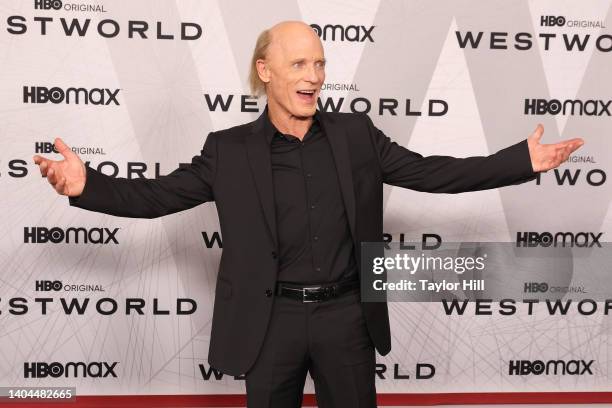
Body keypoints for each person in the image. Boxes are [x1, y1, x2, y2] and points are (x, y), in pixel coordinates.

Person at [33, 20, 583, 408]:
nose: (314, 74)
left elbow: (433, 173)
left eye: (320, 63)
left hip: (347, 319)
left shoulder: (356, 135)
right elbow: (157, 197)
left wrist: (520, 162)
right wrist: (88, 186)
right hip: (270, 324)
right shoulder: (228, 150)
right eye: (299, 63)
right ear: (265, 70)